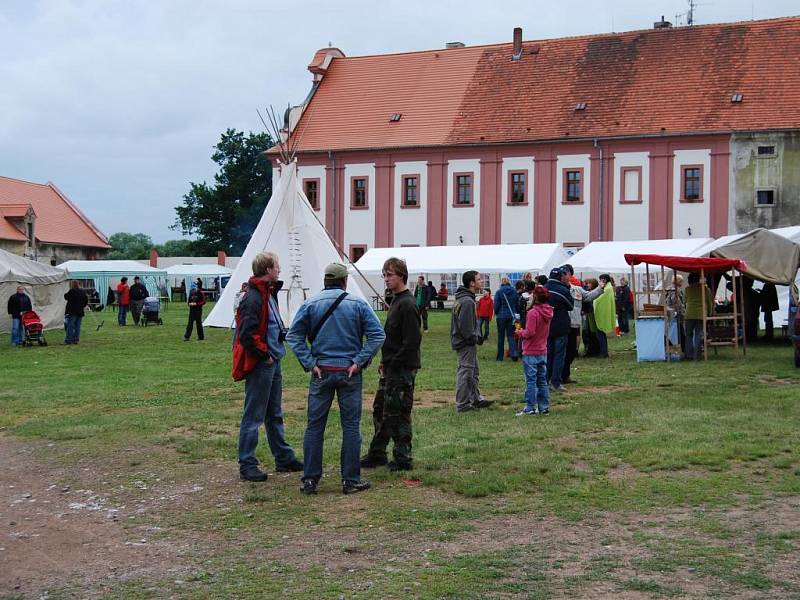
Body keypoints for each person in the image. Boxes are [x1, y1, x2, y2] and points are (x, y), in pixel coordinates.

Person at [287, 262, 385, 495]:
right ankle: (350, 480)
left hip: (321, 371)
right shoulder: (358, 304)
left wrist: (310, 363)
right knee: (350, 427)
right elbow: (377, 334)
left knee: (314, 427)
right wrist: (359, 361)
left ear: (325, 280)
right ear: (344, 281)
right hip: (349, 373)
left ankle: (310, 479)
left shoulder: (310, 304)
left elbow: (294, 336)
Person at [232, 251, 303, 482]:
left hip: (273, 360)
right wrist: (265, 355)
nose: (280, 269)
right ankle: (247, 463)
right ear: (267, 270)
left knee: (274, 413)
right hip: (262, 363)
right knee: (254, 415)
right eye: (277, 266)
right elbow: (247, 334)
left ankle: (283, 457)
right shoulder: (253, 298)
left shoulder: (268, 294)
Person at [361, 257, 422, 472]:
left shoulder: (407, 303)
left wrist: (394, 363)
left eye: (390, 275)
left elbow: (412, 341)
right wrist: (384, 362)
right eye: (384, 275)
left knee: (398, 412)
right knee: (380, 409)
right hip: (391, 366)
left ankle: (403, 456)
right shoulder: (396, 300)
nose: (386, 279)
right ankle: (377, 453)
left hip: (402, 368)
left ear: (401, 276)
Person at [451, 270, 493, 413]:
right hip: (465, 343)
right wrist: (475, 338)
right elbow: (466, 327)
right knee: (466, 372)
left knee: (473, 371)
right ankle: (462, 403)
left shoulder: (464, 298)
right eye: (479, 279)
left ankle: (475, 398)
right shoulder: (467, 301)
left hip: (466, 341)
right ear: (471, 283)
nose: (482, 281)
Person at [562, 264, 602, 384]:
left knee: (571, 352)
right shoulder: (557, 289)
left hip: (574, 324)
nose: (563, 275)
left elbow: (588, 297)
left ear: (570, 275)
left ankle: (565, 375)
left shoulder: (577, 289)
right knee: (560, 351)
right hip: (561, 325)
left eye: (566, 273)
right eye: (562, 273)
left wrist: (600, 288)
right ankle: (557, 376)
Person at [517, 285, 553, 416]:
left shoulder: (533, 312)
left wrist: (520, 332)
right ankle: (544, 407)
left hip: (531, 350)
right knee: (542, 380)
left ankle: (530, 407)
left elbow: (530, 332)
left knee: (531, 380)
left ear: (536, 297)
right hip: (542, 350)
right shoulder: (548, 311)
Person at [544, 267, 574, 392]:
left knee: (547, 355)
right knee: (559, 355)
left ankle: (545, 380)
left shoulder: (543, 289)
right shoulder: (562, 290)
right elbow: (570, 306)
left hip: (546, 326)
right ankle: (555, 382)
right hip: (560, 325)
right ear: (560, 277)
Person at [684, 272, 713, 360]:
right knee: (698, 335)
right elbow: (709, 303)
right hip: (701, 315)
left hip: (689, 315)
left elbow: (685, 300)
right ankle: (697, 355)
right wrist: (709, 314)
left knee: (688, 335)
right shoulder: (705, 289)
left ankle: (689, 354)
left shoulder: (687, 289)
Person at [494, 277, 519, 361]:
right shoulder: (514, 291)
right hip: (512, 316)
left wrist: (497, 313)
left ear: (502, 282)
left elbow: (496, 306)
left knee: (501, 336)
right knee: (511, 335)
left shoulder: (499, 292)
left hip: (501, 316)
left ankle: (500, 357)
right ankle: (514, 353)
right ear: (509, 282)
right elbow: (517, 304)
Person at [593, 274, 617, 358]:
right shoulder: (608, 288)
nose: (599, 281)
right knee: (601, 334)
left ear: (604, 280)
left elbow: (600, 299)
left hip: (603, 313)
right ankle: (604, 352)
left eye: (600, 280)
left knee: (600, 334)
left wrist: (594, 300)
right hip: (604, 313)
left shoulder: (608, 288)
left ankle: (604, 353)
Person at [63, 281, 88, 345]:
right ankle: (76, 339)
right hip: (80, 311)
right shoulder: (82, 292)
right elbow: (86, 301)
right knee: (77, 326)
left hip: (72, 311)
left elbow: (66, 297)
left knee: (70, 326)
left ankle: (69, 340)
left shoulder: (72, 291)